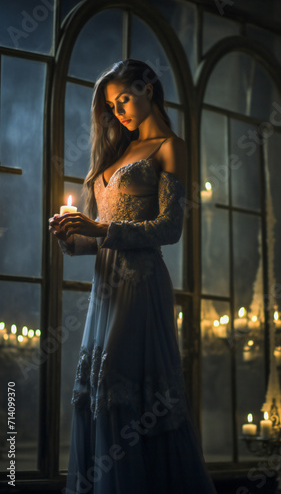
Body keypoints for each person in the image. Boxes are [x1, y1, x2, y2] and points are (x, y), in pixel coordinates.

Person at [49, 59, 217, 494]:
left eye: (124, 97)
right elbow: (99, 240)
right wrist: (72, 238)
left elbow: (170, 229)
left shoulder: (170, 147)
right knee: (97, 392)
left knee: (123, 392)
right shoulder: (118, 153)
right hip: (106, 288)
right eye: (112, 104)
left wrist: (99, 229)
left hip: (141, 286)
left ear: (149, 88)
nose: (119, 110)